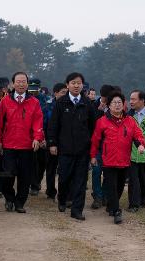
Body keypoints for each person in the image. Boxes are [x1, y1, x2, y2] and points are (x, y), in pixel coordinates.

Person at [90, 92, 145, 224]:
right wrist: (93, 156)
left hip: (124, 160)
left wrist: (141, 145)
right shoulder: (102, 122)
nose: (117, 105)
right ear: (108, 105)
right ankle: (116, 211)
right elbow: (95, 140)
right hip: (108, 161)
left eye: (119, 102)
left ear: (123, 104)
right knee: (111, 186)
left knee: (120, 186)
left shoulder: (130, 121)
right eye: (114, 103)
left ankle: (110, 205)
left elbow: (138, 135)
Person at [47, 72, 95, 221]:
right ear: (67, 85)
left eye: (79, 83)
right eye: (73, 83)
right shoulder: (61, 103)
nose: (76, 85)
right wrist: (52, 143)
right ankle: (62, 199)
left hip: (83, 149)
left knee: (80, 181)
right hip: (65, 148)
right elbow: (53, 125)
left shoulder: (87, 103)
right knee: (64, 178)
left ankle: (77, 210)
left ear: (82, 85)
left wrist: (91, 146)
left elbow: (92, 127)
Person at [0, 72, 44, 213]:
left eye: (24, 81)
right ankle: (9, 198)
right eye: (18, 81)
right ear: (13, 84)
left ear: (27, 84)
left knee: (25, 176)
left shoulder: (34, 102)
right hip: (9, 145)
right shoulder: (5, 101)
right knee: (8, 174)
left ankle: (20, 202)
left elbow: (38, 122)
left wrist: (37, 138)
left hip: (27, 146)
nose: (21, 84)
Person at [90, 85, 122, 210]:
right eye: (103, 98)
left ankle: (104, 195)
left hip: (110, 147)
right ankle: (97, 196)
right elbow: (91, 124)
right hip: (97, 146)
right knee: (96, 171)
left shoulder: (116, 108)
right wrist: (98, 111)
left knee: (108, 173)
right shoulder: (93, 105)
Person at [45, 83, 68, 200]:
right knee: (51, 168)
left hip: (65, 142)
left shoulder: (69, 104)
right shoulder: (48, 106)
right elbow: (45, 124)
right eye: (63, 92)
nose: (65, 95)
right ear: (55, 93)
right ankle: (50, 191)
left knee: (64, 169)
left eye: (66, 92)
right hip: (51, 141)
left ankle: (63, 193)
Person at [27, 78, 49, 196]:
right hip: (28, 136)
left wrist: (43, 137)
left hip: (43, 135)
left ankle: (38, 181)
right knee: (32, 162)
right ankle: (33, 185)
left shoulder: (45, 100)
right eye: (31, 90)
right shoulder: (26, 99)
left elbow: (46, 119)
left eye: (35, 90)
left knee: (42, 161)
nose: (33, 92)